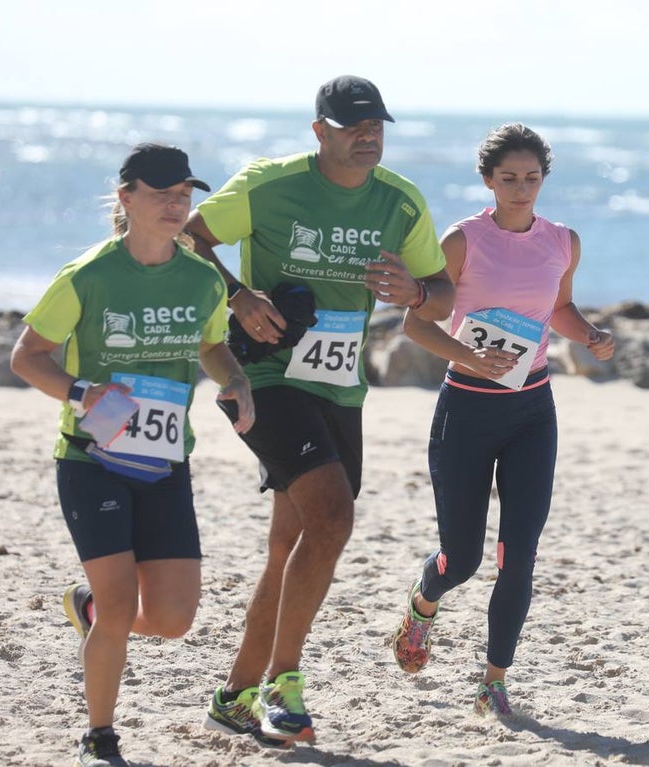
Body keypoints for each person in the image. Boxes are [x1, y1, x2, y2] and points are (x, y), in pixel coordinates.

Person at [184, 75, 454, 745]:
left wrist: (416, 291)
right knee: (332, 517)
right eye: (352, 126)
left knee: (290, 546)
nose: (368, 136)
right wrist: (238, 294)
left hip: (339, 386)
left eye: (376, 126)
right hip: (267, 374)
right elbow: (189, 239)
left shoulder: (399, 202)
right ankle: (284, 682)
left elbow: (445, 294)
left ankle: (235, 693)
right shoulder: (269, 184)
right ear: (319, 131)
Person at [10, 143, 255, 767]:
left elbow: (211, 348)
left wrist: (236, 380)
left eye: (185, 195)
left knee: (172, 619)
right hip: (92, 459)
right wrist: (80, 391)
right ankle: (100, 735)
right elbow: (27, 357)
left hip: (166, 461)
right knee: (121, 606)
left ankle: (88, 610)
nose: (178, 205)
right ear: (127, 198)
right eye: (163, 194)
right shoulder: (88, 275)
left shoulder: (202, 278)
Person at [389, 123, 614, 715]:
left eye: (532, 179)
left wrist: (588, 334)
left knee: (519, 554)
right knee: (459, 560)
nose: (520, 190)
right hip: (465, 408)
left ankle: (494, 680)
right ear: (487, 180)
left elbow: (558, 307)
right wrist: (470, 357)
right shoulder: (462, 242)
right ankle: (423, 601)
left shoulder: (563, 240)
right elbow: (416, 323)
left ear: (544, 180)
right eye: (508, 179)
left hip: (532, 411)